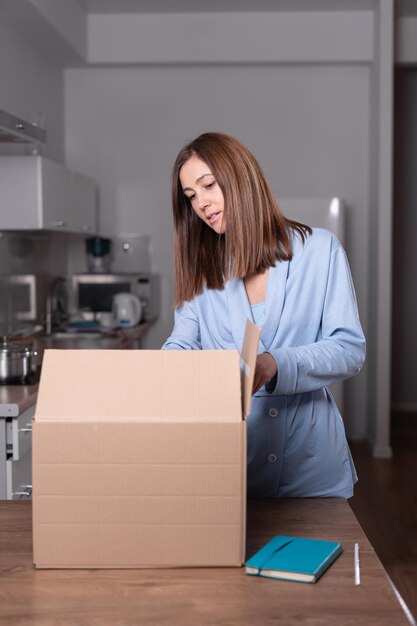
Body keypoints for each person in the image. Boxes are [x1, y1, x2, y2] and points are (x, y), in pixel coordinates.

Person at [162, 132, 366, 499]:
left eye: (208, 185)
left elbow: (349, 349)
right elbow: (182, 342)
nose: (202, 204)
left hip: (311, 466)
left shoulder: (320, 250)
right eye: (191, 196)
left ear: (241, 178)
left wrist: (274, 364)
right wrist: (161, 375)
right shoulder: (202, 266)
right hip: (233, 464)